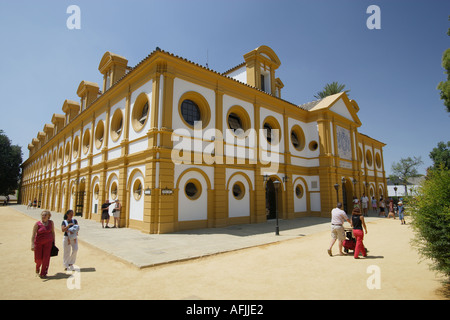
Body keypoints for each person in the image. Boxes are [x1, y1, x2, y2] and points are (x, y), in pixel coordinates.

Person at [31, 210, 55, 279]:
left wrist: (53, 242)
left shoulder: (51, 223)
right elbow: (33, 235)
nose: (43, 216)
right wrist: (32, 244)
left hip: (48, 243)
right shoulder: (37, 224)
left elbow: (53, 232)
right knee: (38, 259)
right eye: (42, 215)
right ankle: (37, 267)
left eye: (45, 215)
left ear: (48, 216)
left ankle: (43, 273)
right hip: (38, 243)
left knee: (46, 258)